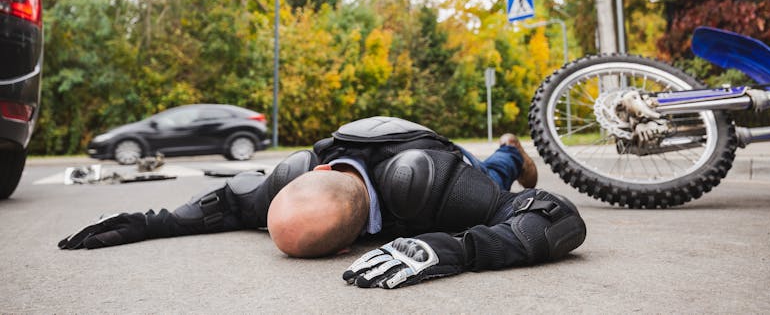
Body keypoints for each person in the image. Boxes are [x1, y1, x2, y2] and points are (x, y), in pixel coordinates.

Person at [59, 116, 586, 289]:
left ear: (347, 247)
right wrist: (151, 223)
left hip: (440, 159)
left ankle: (511, 149)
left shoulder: (440, 190)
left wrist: (454, 250)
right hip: (371, 145)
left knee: (497, 174)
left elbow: (557, 217)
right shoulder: (295, 175)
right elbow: (227, 201)